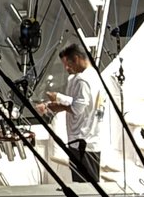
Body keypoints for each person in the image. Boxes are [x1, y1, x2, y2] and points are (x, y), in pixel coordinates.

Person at [39, 43, 104, 183]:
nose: (67, 68)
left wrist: (58, 106)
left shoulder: (83, 80)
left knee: (85, 186)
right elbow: (82, 102)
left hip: (82, 143)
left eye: (68, 64)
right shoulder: (93, 75)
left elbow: (77, 108)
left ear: (77, 59)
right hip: (89, 141)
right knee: (88, 184)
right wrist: (58, 98)